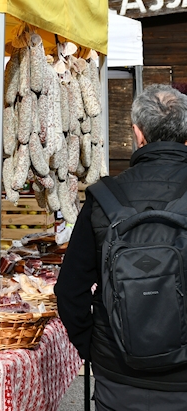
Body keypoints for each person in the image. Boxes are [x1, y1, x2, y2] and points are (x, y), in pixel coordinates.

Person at [56, 84, 187, 409]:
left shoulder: (104, 198)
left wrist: (96, 347)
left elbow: (70, 292)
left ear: (137, 133)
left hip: (117, 377)